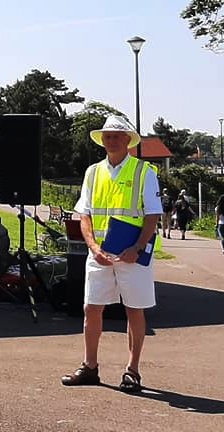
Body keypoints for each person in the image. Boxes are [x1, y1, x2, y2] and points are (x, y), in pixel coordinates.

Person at [61, 116, 161, 392]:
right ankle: (89, 366)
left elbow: (153, 215)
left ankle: (133, 370)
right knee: (91, 308)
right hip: (101, 253)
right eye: (107, 136)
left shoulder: (144, 171)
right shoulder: (93, 172)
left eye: (117, 135)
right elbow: (85, 215)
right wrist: (93, 247)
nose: (112, 140)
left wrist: (137, 247)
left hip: (132, 254)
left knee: (134, 310)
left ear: (128, 139)